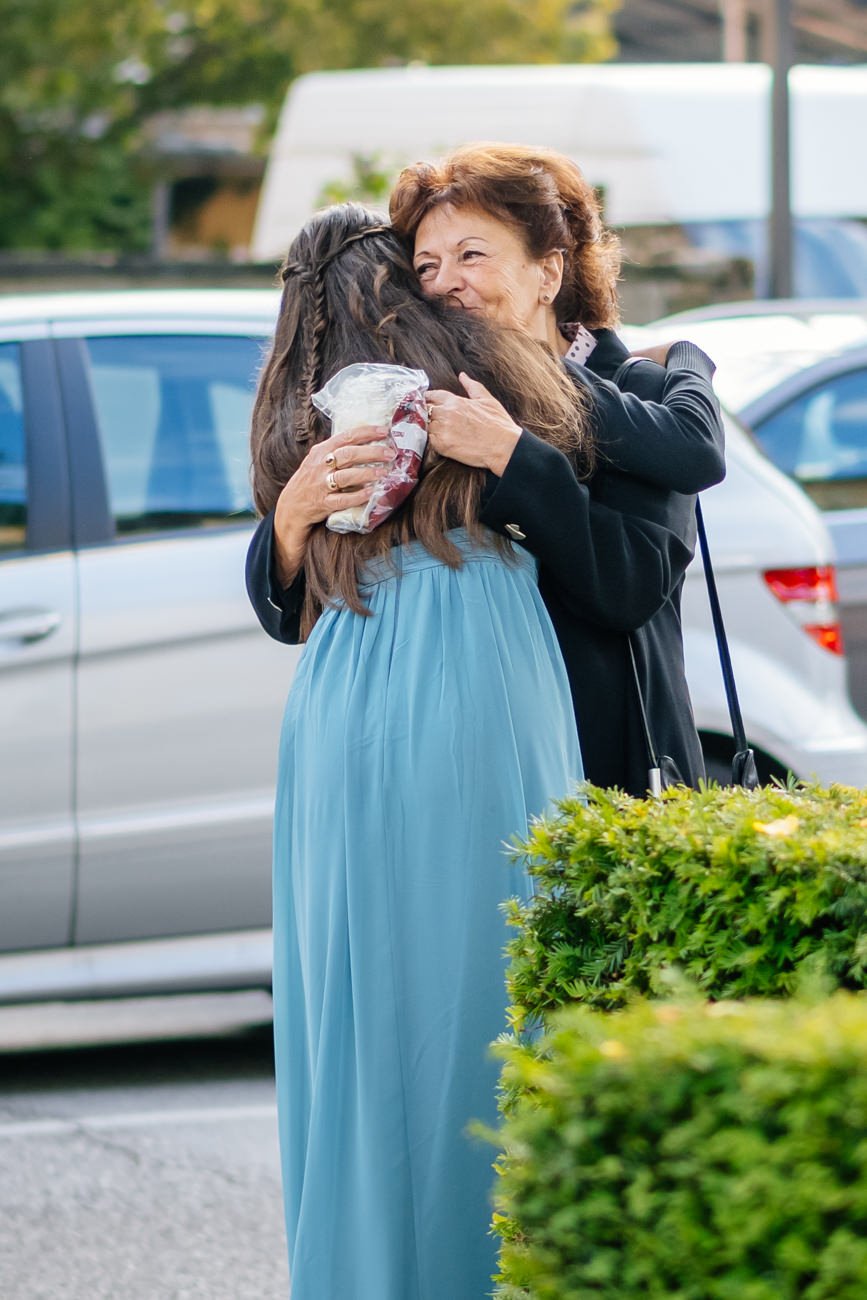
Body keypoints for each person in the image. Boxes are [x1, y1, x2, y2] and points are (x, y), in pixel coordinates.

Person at [250, 201, 589, 1300]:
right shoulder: (478, 361)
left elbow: (287, 589)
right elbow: (577, 450)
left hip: (347, 680)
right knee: (493, 982)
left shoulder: (293, 408)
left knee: (352, 1003)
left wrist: (294, 524)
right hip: (483, 659)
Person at [385, 141, 726, 794]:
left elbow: (627, 589)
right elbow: (303, 599)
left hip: (594, 775)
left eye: (471, 254)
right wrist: (290, 521)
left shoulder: (636, 393)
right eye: (425, 264)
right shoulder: (421, 401)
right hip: (462, 770)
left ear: (548, 274)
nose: (442, 282)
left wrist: (512, 458)